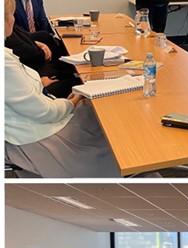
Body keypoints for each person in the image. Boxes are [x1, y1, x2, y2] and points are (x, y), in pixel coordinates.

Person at [4, 0, 120, 178]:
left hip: (38, 119)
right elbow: (42, 111)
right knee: (107, 125)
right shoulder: (5, 63)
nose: (13, 19)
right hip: (38, 136)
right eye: (11, 15)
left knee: (98, 113)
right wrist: (71, 102)